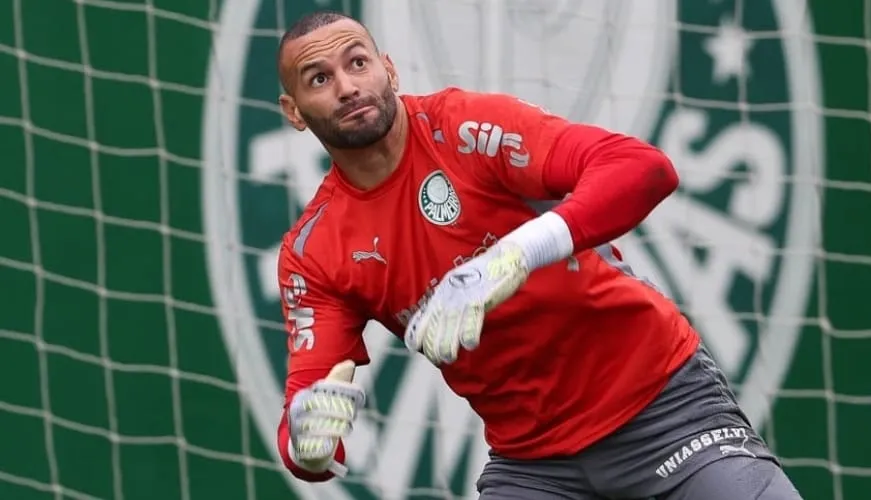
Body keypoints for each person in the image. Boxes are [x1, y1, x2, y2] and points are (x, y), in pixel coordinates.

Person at [273, 9, 803, 500]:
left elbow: (644, 168)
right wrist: (307, 445)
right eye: (319, 79)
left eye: (358, 63)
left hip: (663, 410)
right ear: (294, 112)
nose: (348, 87)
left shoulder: (465, 127)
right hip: (533, 465)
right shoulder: (314, 251)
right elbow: (307, 404)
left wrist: (515, 255)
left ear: (388, 69)